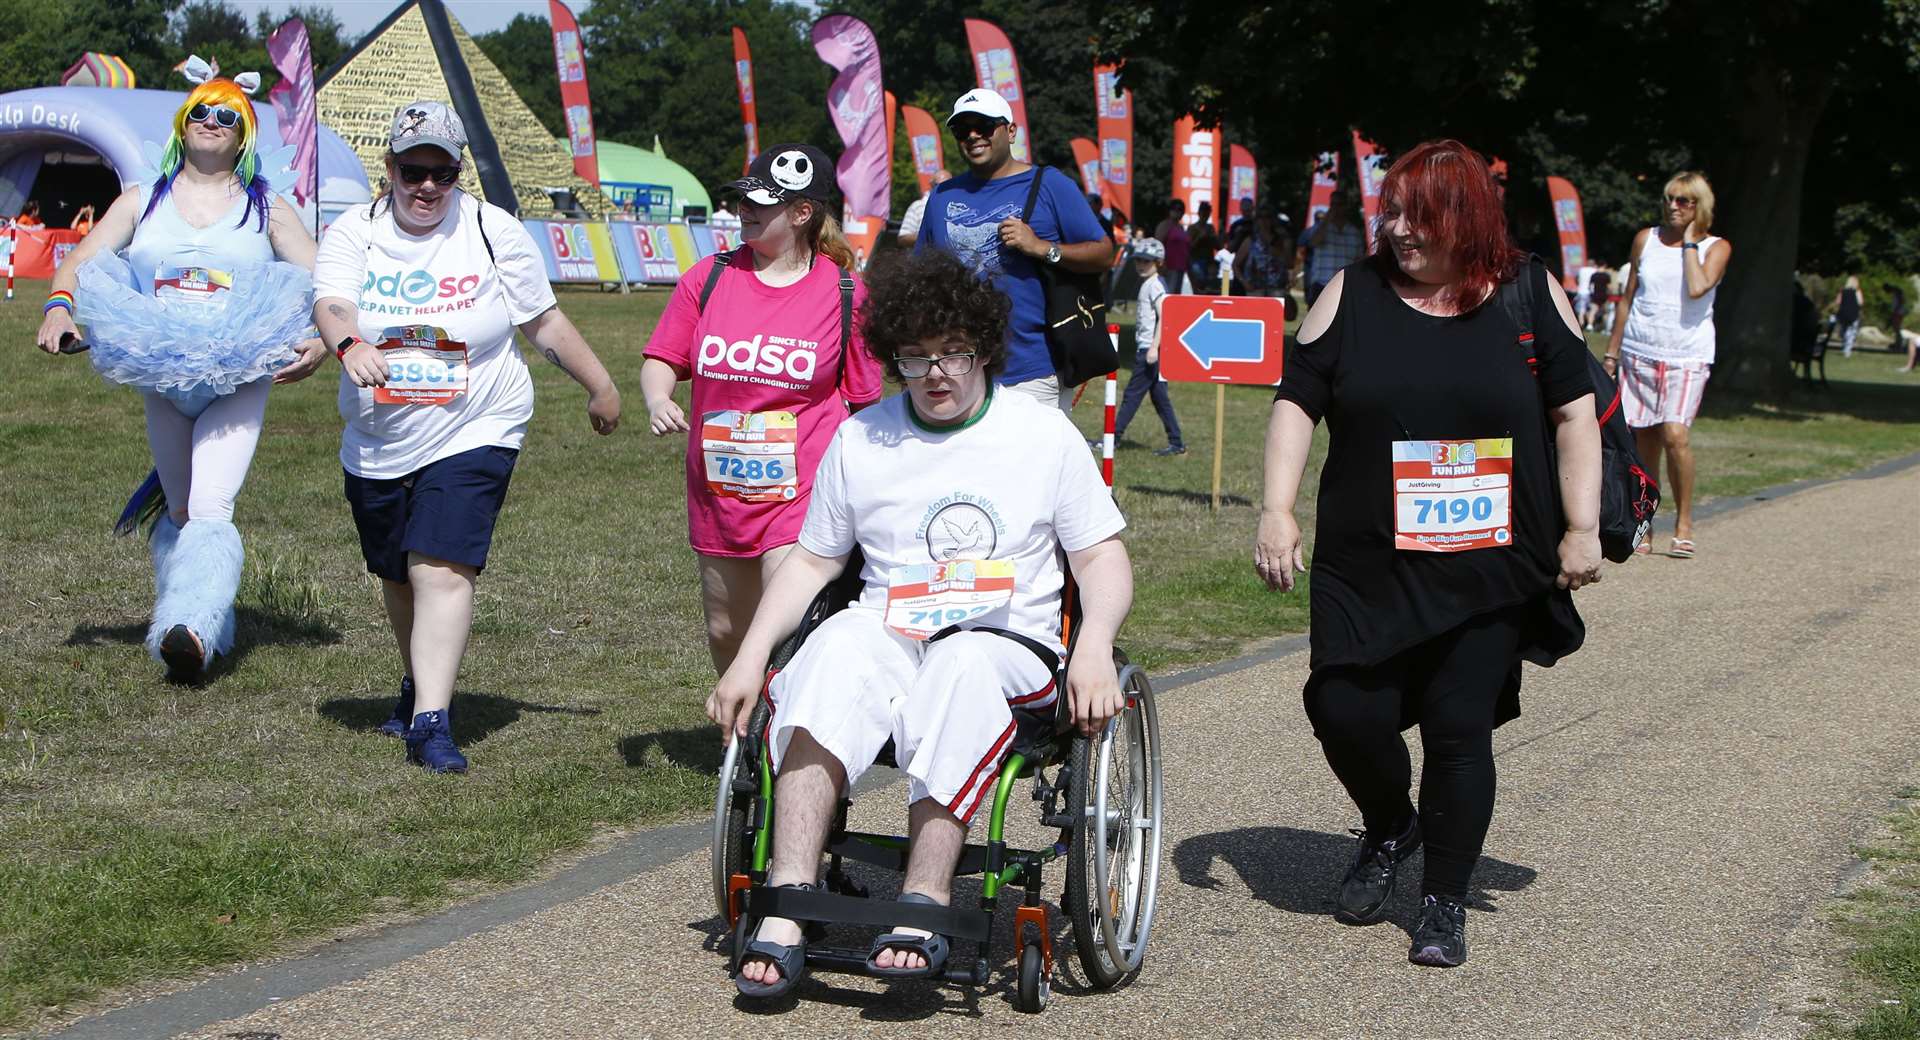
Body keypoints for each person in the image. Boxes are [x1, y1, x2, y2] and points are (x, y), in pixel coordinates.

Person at [709, 248, 1133, 998]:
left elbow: (1101, 558)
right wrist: (747, 659)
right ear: (891, 358)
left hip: (1008, 646)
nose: (936, 374)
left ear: (985, 351)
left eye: (953, 355)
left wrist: (1094, 644)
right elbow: (810, 563)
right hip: (892, 629)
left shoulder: (1041, 436)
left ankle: (925, 899)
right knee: (833, 648)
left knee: (962, 663)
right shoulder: (862, 437)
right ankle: (788, 903)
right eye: (915, 358)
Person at [1255, 139, 1600, 969]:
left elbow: (1575, 415)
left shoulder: (1527, 292)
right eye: (1393, 212)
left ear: (1467, 217)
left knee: (1458, 732)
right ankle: (1389, 825)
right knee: (1343, 708)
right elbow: (1297, 402)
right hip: (1365, 561)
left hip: (1487, 561)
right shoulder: (1352, 293)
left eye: (1420, 215)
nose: (1400, 230)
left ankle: (1443, 899)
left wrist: (1582, 525)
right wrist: (1276, 509)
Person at [313, 100, 622, 773]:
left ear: (459, 173)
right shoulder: (353, 232)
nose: (427, 186)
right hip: (379, 434)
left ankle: (431, 720)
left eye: (442, 173)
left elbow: (541, 321)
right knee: (397, 572)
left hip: (478, 419)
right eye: (413, 170)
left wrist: (601, 385)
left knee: (440, 564)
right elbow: (331, 303)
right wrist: (346, 343)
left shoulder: (492, 231)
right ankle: (419, 681)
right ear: (388, 169)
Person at [34, 56, 323, 683]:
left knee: (211, 507)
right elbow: (81, 259)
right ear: (182, 124)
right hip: (161, 375)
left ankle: (185, 627)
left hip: (236, 377)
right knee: (183, 514)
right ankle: (202, 620)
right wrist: (59, 308)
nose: (213, 121)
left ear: (244, 133)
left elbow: (324, 278)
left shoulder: (266, 207)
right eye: (202, 112)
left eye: (229, 115)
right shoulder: (142, 199)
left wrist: (325, 342)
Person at [641, 143, 884, 674]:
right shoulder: (707, 278)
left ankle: (779, 740)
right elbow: (663, 356)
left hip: (802, 491)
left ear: (801, 214)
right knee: (727, 627)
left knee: (788, 624)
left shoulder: (845, 293)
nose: (743, 210)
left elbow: (866, 403)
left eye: (761, 202)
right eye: (743, 199)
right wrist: (658, 396)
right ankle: (738, 733)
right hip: (718, 490)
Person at [914, 88, 1114, 411]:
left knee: (1031, 463)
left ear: (1010, 131)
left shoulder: (1049, 185)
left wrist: (1042, 247)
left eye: (984, 125)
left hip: (1031, 370)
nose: (973, 135)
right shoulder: (942, 196)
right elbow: (921, 275)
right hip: (958, 369)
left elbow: (1104, 253)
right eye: (963, 129)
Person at [1604, 170, 1732, 559]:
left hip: (1686, 355)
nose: (1674, 207)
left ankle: (1685, 522)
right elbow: (1627, 299)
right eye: (1670, 199)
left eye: (1684, 201)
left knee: (1676, 436)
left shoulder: (1716, 247)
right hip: (1641, 352)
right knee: (1645, 443)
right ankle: (1646, 523)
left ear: (1699, 207)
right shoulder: (1646, 239)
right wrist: (1611, 354)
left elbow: (1697, 287)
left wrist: (1690, 243)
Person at [1111, 238, 1185, 456]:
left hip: (1150, 351)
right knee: (1160, 398)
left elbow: (1166, 317)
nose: (1141, 265)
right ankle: (1177, 442)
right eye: (1138, 261)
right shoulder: (1149, 283)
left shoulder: (1155, 286)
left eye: (1147, 261)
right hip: (1151, 350)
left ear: (1159, 262)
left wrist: (1154, 347)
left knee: (1131, 395)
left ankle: (1112, 438)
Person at [1303, 189, 1365, 306]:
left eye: (1339, 204)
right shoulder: (1321, 228)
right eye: (1333, 204)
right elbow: (1313, 242)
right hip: (1321, 285)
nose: (1335, 208)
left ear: (1346, 206)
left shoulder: (1354, 232)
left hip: (1345, 287)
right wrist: (1326, 220)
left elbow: (1359, 260)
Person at [1233, 203, 1292, 298]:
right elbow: (1235, 265)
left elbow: (1289, 264)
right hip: (1255, 289)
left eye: (1267, 217)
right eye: (1260, 217)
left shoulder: (1282, 239)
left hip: (1276, 289)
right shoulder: (1250, 240)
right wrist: (1244, 283)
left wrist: (1277, 250)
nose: (1264, 220)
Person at [894, 169, 949, 247]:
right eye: (938, 185)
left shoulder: (958, 207)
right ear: (931, 184)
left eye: (948, 185)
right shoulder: (918, 206)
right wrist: (927, 237)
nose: (943, 188)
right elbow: (903, 238)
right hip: (925, 257)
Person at [1153, 198, 1191, 294]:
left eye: (1181, 210)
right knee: (1167, 294)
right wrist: (1161, 264)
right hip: (1168, 267)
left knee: (1175, 296)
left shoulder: (1180, 227)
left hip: (1180, 267)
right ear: (1169, 210)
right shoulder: (1164, 225)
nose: (1178, 212)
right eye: (1175, 209)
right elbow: (1158, 245)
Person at [1830, 275, 1864, 358]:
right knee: (1851, 333)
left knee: (1845, 331)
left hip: (1843, 314)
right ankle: (1847, 350)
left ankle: (1845, 348)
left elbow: (1837, 302)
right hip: (1853, 315)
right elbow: (1860, 303)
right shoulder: (1857, 291)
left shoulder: (1842, 291)